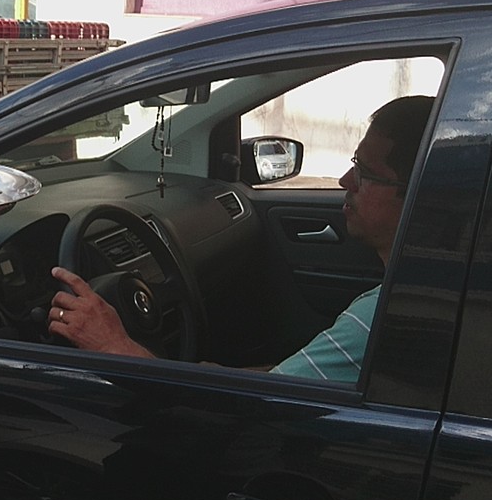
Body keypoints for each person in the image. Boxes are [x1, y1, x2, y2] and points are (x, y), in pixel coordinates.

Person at [48, 95, 435, 383]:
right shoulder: (424, 293)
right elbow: (291, 381)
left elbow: (262, 408)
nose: (345, 182)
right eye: (354, 165)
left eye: (366, 174)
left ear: (420, 192)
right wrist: (228, 376)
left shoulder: (382, 318)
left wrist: (114, 346)